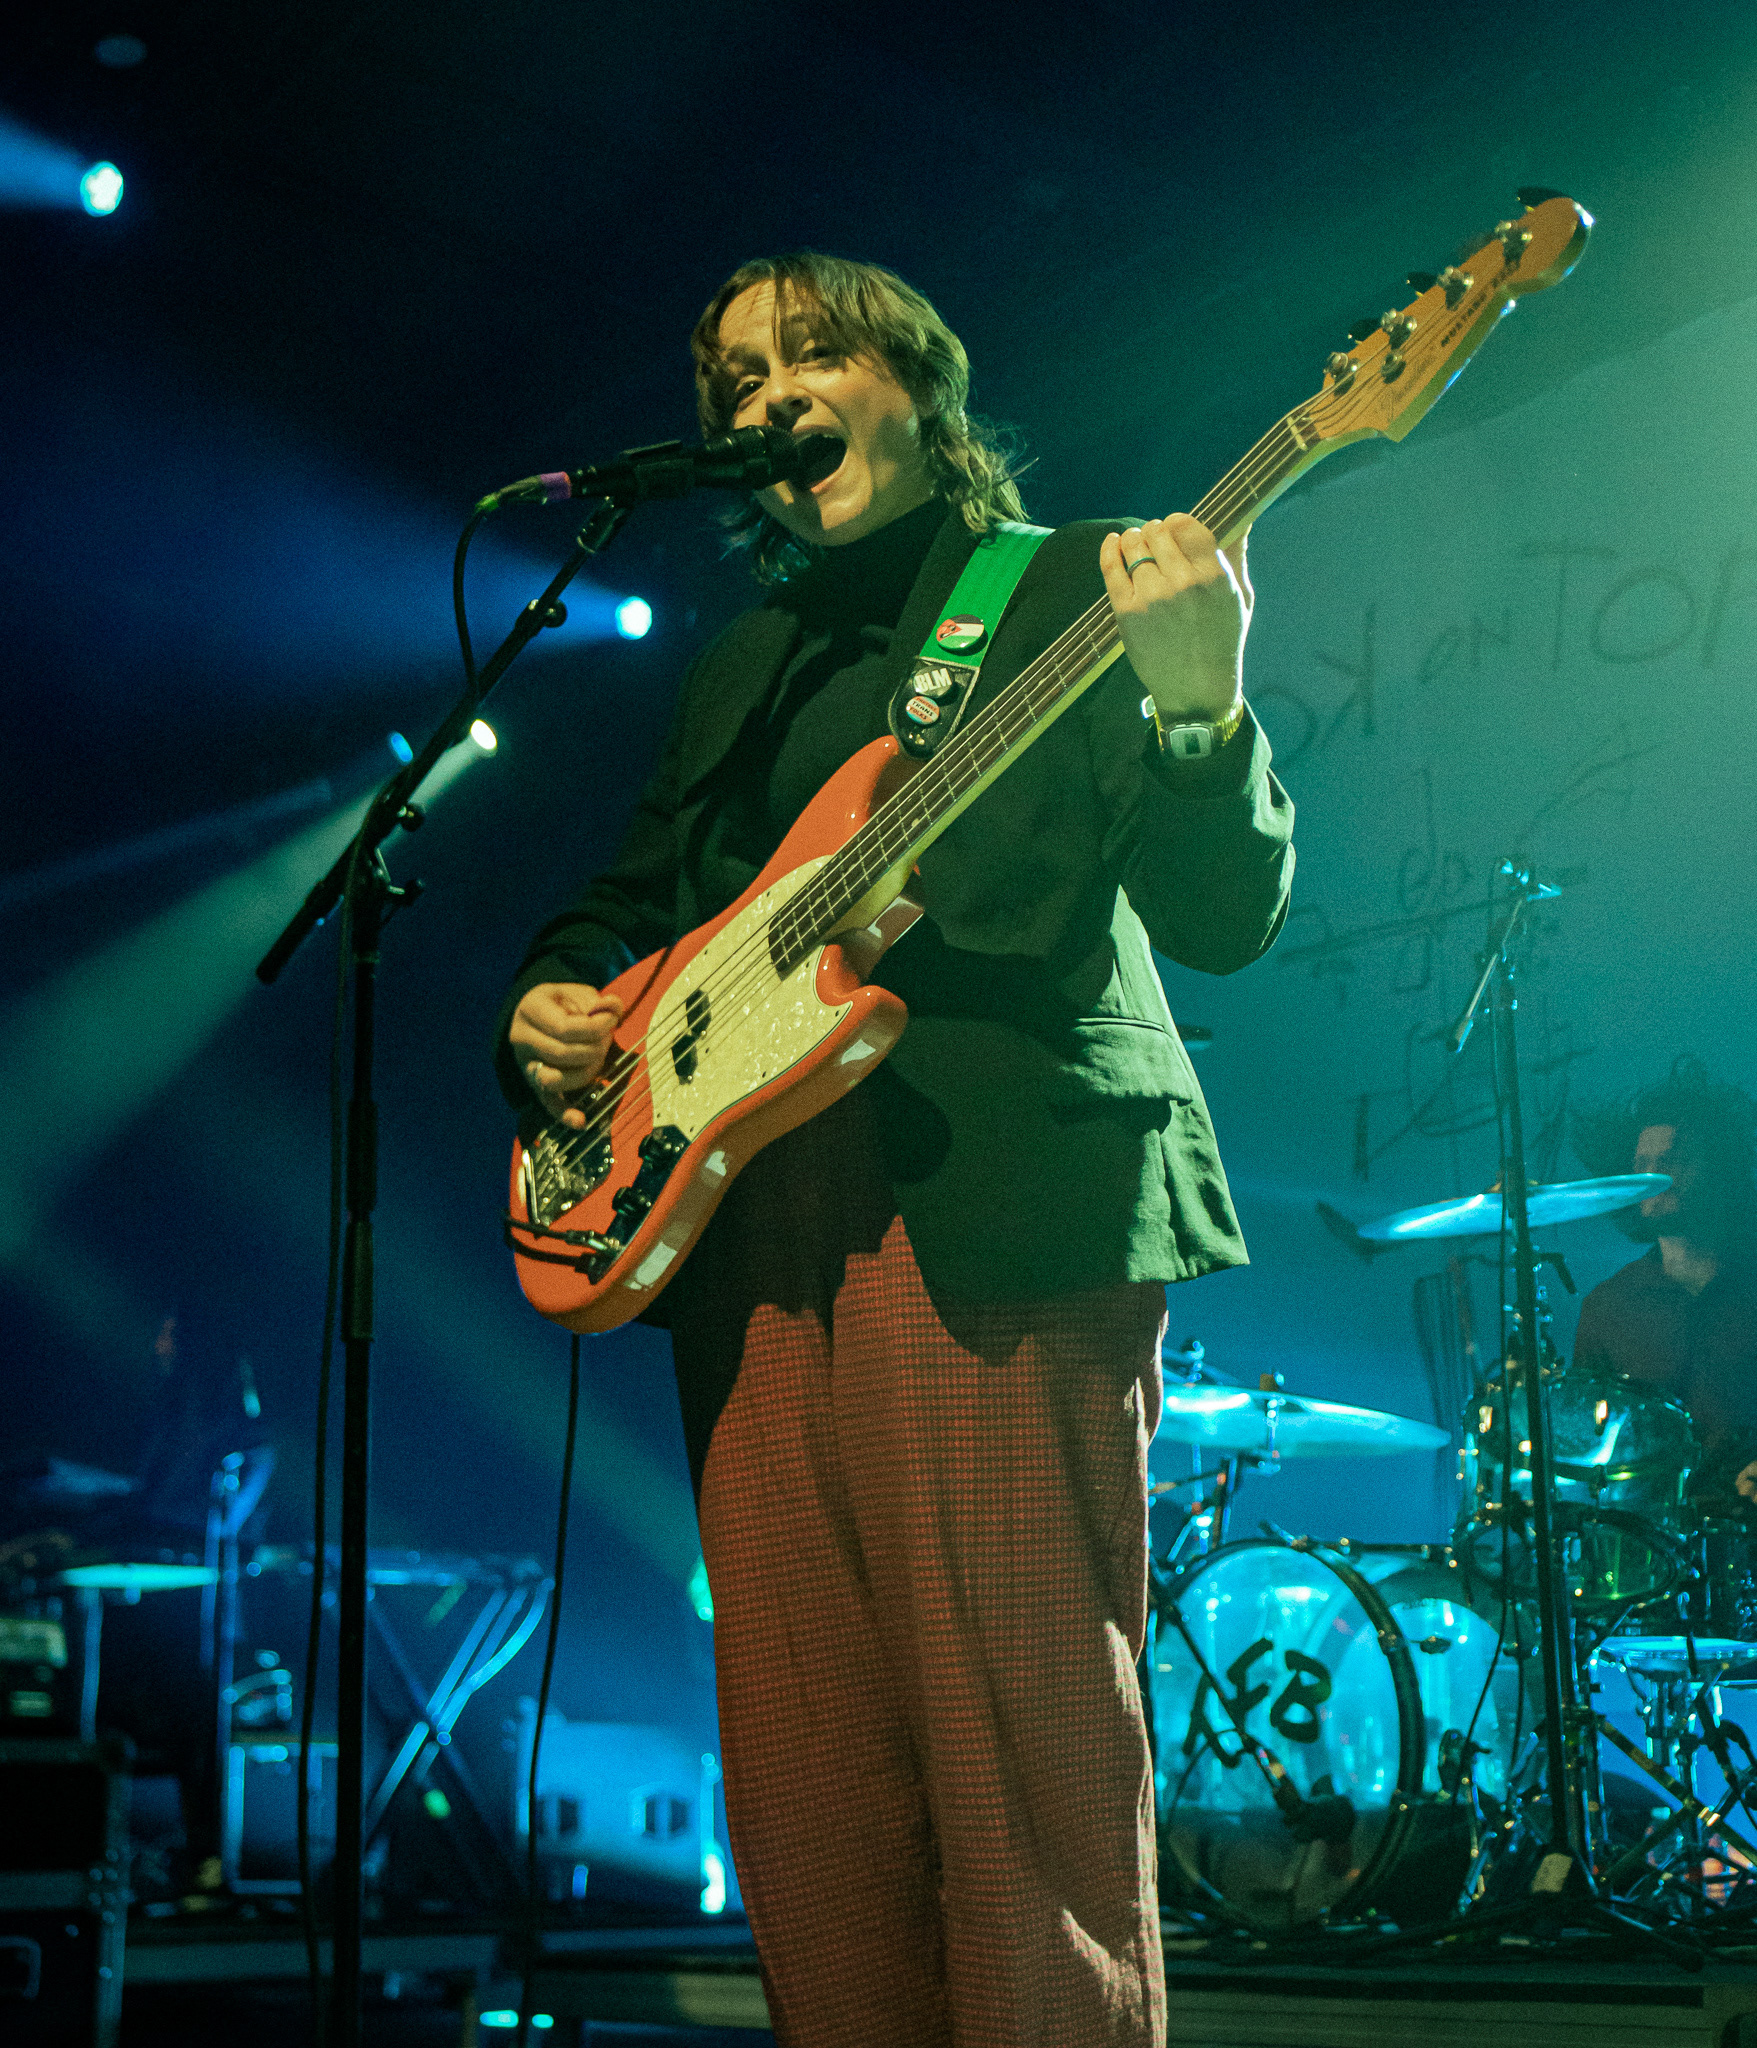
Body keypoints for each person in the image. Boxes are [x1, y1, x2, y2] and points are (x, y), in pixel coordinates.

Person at [495, 253, 1294, 2048]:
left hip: (989, 1223)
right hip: (747, 1238)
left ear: (921, 391)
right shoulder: (744, 665)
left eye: (812, 353)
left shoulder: (1063, 585)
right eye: (736, 380)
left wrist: (1197, 708)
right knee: (810, 1802)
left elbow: (1226, 913)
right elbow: (629, 902)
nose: (770, 395)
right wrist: (549, 1003)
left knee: (1025, 1781)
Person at [1571, 1058, 1757, 1503]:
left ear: (1717, 1168)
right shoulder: (1608, 1307)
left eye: (1672, 1161)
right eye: (1643, 1164)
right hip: (1650, 1531)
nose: (1655, 1177)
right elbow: (1581, 1439)